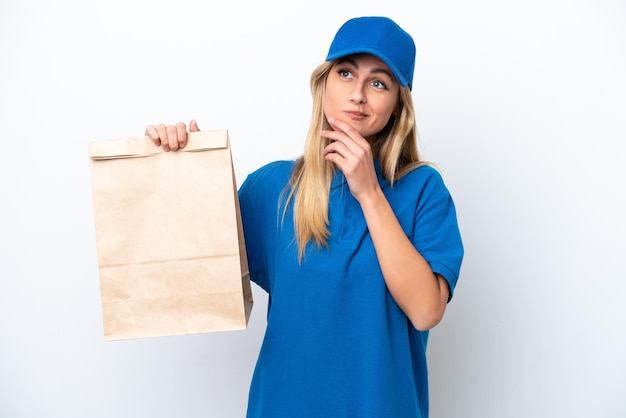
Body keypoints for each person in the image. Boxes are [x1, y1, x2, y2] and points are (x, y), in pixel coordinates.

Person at [146, 16, 463, 418]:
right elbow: (192, 276)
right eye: (346, 73)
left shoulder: (423, 190)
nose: (358, 95)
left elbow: (425, 310)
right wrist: (178, 166)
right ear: (323, 85)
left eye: (378, 82)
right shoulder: (273, 188)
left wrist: (368, 191)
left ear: (399, 105)